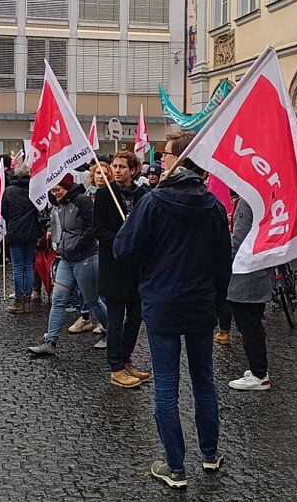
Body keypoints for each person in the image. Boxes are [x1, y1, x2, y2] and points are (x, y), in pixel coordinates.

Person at [114, 130, 231, 488]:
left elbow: (123, 250)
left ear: (179, 159)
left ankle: (176, 467)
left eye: (166, 154)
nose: (161, 159)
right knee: (203, 380)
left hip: (163, 303)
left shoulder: (153, 202)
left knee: (166, 385)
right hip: (199, 305)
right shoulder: (212, 205)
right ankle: (209, 454)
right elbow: (222, 261)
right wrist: (217, 302)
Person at [27, 174, 106, 357]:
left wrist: (79, 245)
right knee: (58, 299)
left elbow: (93, 226)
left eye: (58, 190)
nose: (55, 194)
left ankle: (113, 332)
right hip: (65, 258)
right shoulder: (58, 204)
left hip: (85, 258)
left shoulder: (82, 201)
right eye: (53, 191)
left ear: (67, 187)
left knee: (93, 300)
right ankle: (50, 342)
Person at [94, 152, 150, 388]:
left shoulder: (142, 195)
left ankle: (126, 359)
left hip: (136, 269)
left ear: (133, 169)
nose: (116, 170)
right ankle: (115, 366)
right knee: (116, 319)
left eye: (121, 167)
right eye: (114, 166)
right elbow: (99, 229)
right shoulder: (105, 194)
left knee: (136, 317)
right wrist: (121, 240)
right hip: (114, 266)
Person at [224, 196, 276, 391]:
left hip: (246, 275)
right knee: (253, 323)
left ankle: (259, 374)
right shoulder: (260, 199)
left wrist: (222, 261)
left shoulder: (248, 201)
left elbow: (238, 241)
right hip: (259, 271)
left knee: (249, 326)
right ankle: (258, 369)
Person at [3, 162, 42, 314]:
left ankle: (19, 300)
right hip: (31, 233)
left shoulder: (9, 191)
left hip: (15, 232)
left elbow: (4, 213)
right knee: (28, 266)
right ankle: (27, 297)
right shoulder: (35, 191)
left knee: (18, 267)